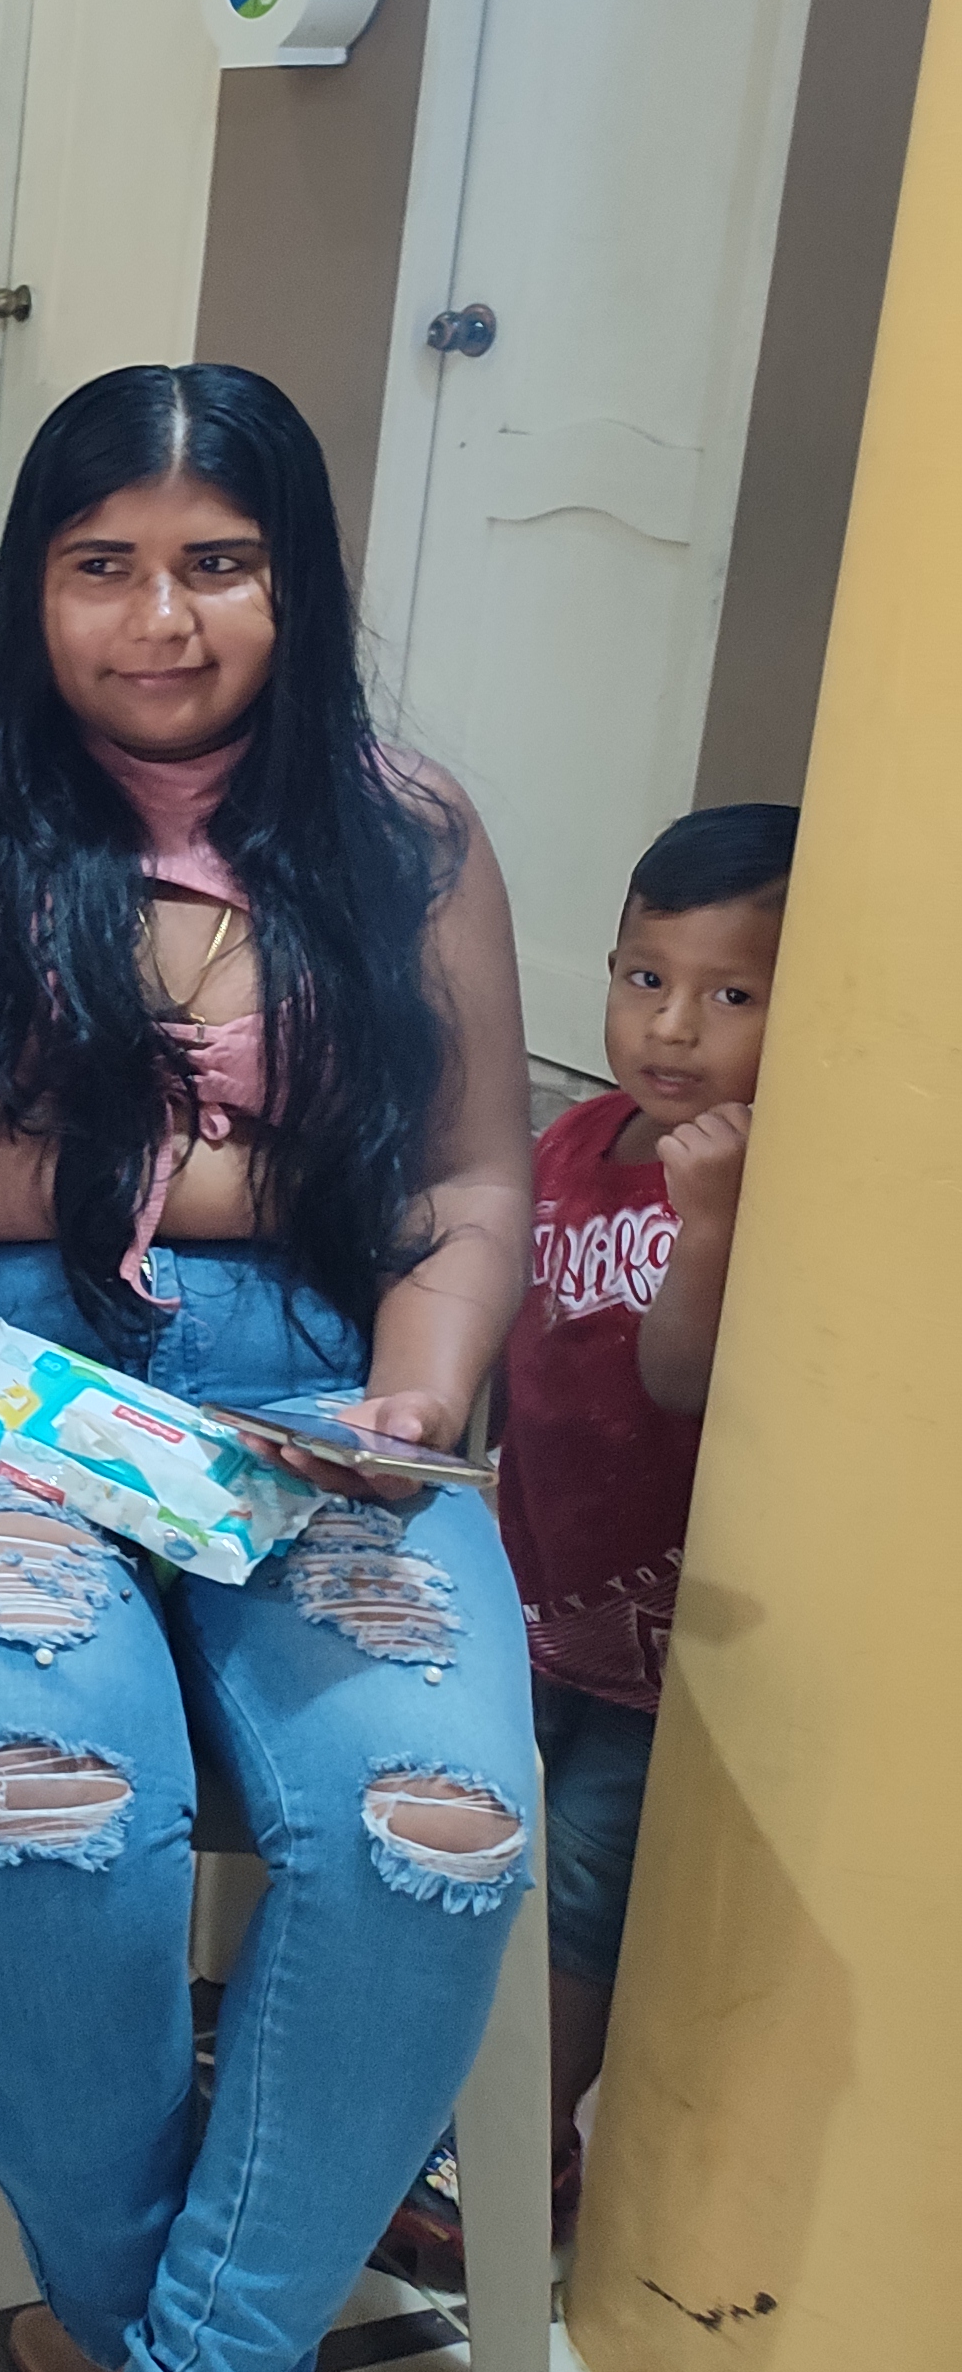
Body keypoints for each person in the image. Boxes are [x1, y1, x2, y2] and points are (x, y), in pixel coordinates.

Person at [0, 364, 538, 2372]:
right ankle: (170, 2367)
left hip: (319, 1390)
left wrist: (421, 1382)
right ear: (30, 583)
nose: (158, 621)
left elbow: (462, 1180)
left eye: (215, 564)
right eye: (100, 566)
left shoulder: (404, 832)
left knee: (435, 1830)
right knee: (31, 1802)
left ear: (296, 578)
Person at [493, 799, 789, 2211]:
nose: (672, 1028)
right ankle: (448, 2101)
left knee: (583, 1890)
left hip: (660, 1645)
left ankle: (525, 2151)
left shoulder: (768, 1182)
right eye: (645, 977)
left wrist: (715, 1222)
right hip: (533, 1579)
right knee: (487, 1840)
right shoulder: (577, 1138)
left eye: (733, 996)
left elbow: (680, 1379)